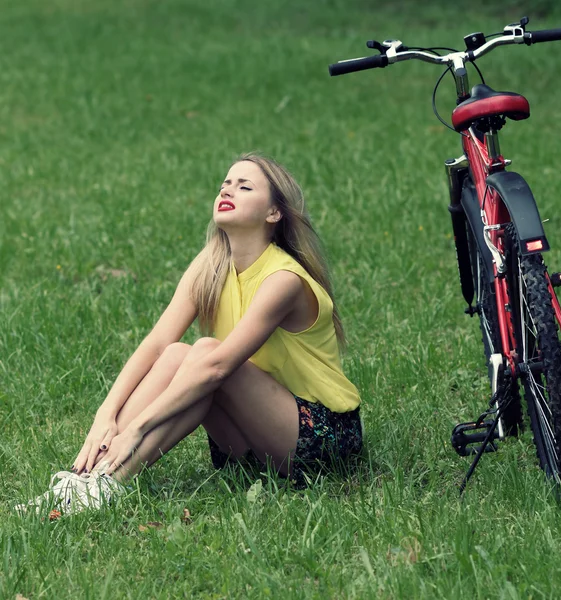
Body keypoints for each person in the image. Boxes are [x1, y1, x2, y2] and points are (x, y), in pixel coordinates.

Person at [16, 152, 363, 515]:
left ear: (273, 213)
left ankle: (108, 483)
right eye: (225, 184)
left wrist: (136, 428)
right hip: (250, 438)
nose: (228, 190)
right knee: (177, 355)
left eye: (245, 187)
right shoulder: (211, 264)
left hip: (321, 439)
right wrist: (106, 414)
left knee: (206, 355)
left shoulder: (284, 280)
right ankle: (83, 480)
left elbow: (218, 368)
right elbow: (157, 343)